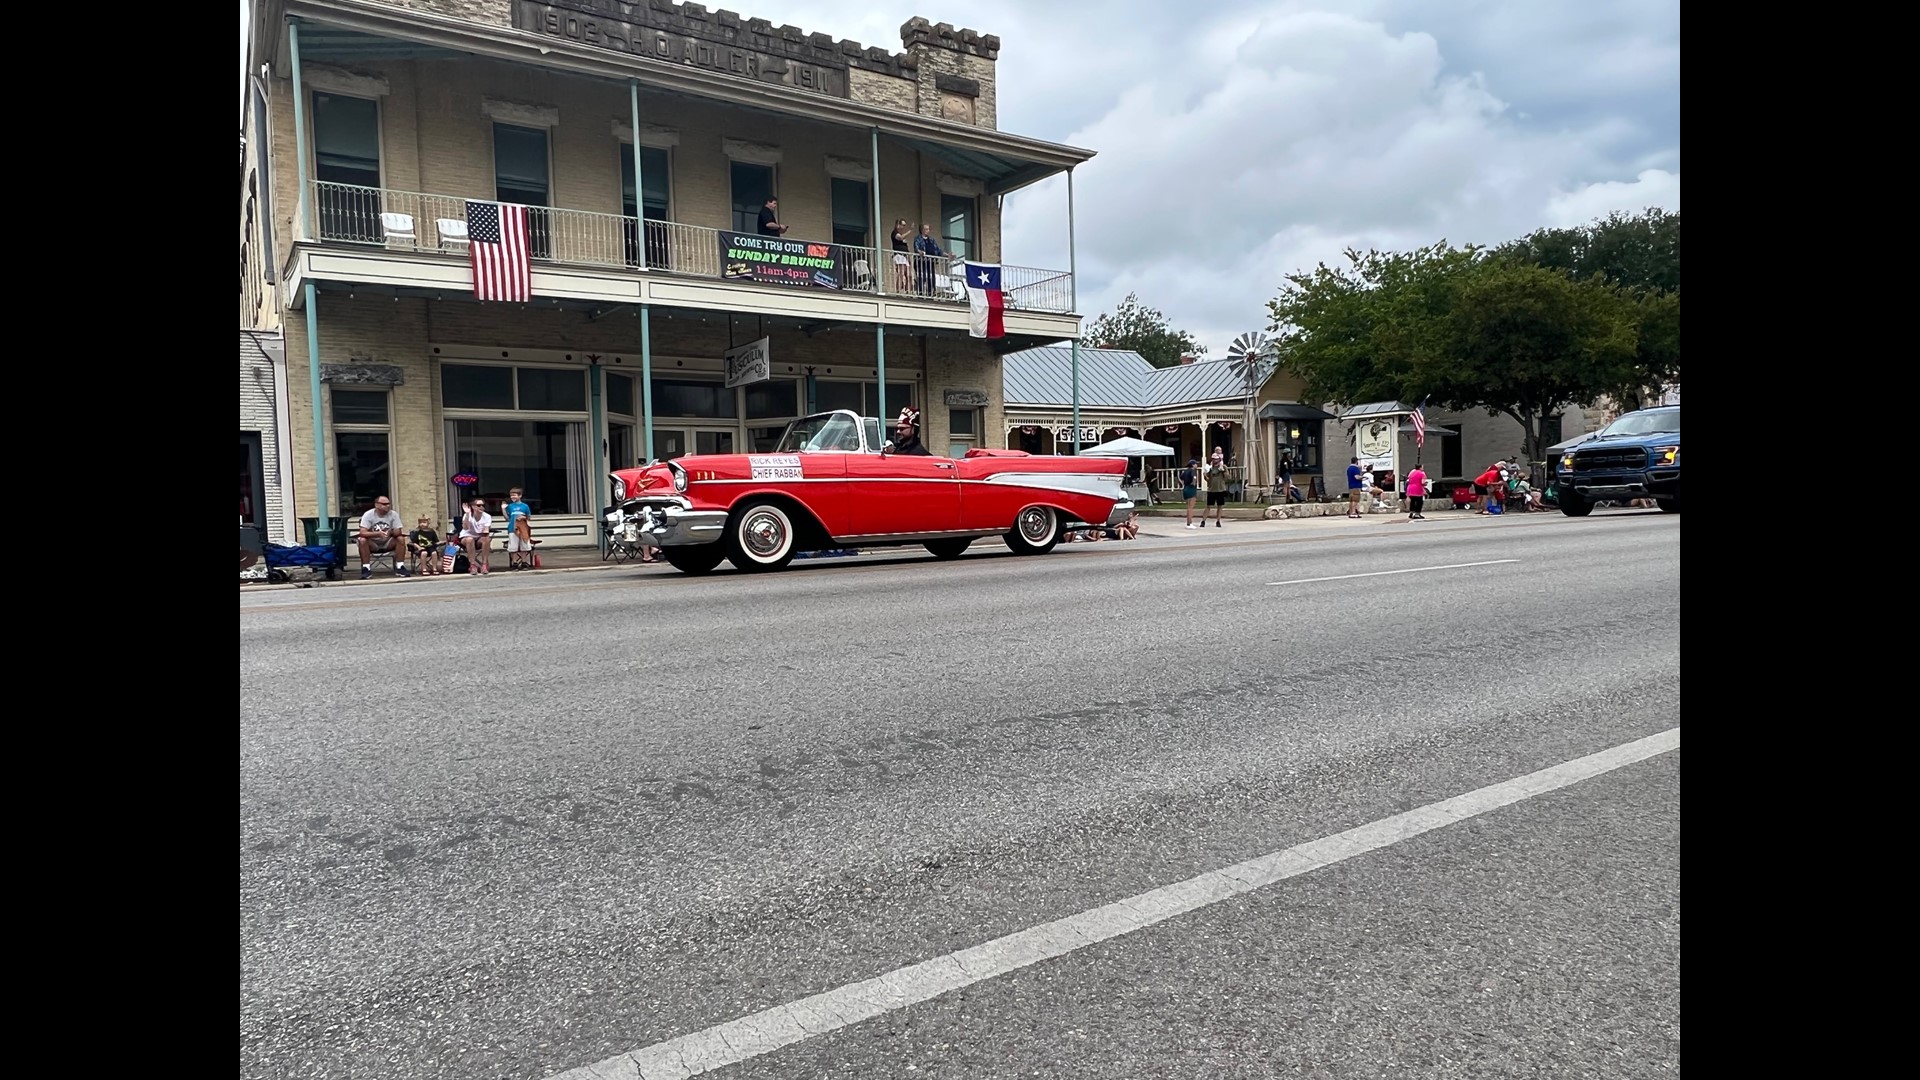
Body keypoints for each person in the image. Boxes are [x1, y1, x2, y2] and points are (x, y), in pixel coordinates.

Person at [356, 495, 409, 578]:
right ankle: (366, 568)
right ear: (376, 505)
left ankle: (400, 566)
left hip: (388, 542)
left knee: (400, 539)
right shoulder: (368, 515)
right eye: (384, 504)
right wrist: (377, 534)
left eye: (388, 504)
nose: (387, 506)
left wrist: (391, 532)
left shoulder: (393, 514)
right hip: (373, 543)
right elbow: (362, 532)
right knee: (362, 540)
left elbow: (398, 531)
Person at [460, 498, 494, 575]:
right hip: (466, 537)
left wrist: (485, 535)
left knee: (486, 539)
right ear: (473, 507)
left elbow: (486, 530)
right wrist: (468, 515)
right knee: (470, 539)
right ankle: (472, 565)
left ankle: (484, 564)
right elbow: (466, 528)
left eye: (483, 505)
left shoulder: (487, 516)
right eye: (479, 505)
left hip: (479, 537)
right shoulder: (467, 515)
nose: (481, 507)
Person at [503, 487, 535, 569]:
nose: (512, 497)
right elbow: (507, 518)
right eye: (511, 496)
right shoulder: (509, 506)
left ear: (520, 496)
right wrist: (503, 509)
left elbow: (529, 517)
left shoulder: (525, 506)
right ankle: (514, 562)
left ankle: (524, 562)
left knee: (524, 545)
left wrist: (523, 517)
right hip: (512, 528)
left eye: (514, 495)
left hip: (523, 528)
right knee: (513, 546)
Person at [913, 224, 947, 295]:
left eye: (928, 229)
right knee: (922, 276)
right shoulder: (918, 239)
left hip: (930, 262)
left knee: (931, 277)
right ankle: (920, 292)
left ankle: (931, 292)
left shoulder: (931, 240)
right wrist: (920, 252)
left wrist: (947, 255)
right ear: (922, 230)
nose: (928, 231)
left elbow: (938, 250)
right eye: (926, 229)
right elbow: (916, 248)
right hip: (921, 262)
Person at [1204, 448, 1229, 527]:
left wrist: (1222, 471)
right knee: (1208, 506)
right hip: (1211, 489)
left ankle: (1218, 521)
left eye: (1216, 459)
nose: (1215, 461)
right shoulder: (1210, 468)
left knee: (1220, 506)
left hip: (1220, 489)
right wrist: (1205, 476)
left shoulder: (1223, 466)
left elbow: (1227, 477)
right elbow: (1207, 479)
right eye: (1213, 459)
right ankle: (1203, 521)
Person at [890, 218, 913, 293]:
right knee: (901, 273)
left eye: (904, 226)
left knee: (909, 275)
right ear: (898, 225)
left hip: (905, 256)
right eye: (902, 225)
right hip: (899, 256)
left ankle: (908, 291)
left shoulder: (902, 234)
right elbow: (900, 238)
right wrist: (910, 231)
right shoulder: (895, 233)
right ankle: (898, 290)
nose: (903, 227)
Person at [1180, 457, 1201, 528]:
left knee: (1188, 507)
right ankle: (1190, 523)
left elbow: (1181, 478)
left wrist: (1183, 484)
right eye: (1196, 464)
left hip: (1185, 488)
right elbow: (1194, 478)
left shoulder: (1185, 471)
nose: (1196, 465)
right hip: (1191, 489)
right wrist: (1194, 483)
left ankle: (1188, 522)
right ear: (1192, 465)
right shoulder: (1193, 471)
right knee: (1191, 507)